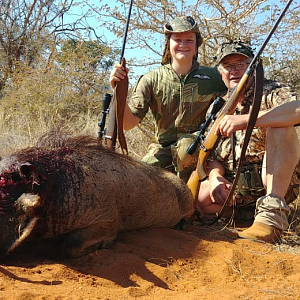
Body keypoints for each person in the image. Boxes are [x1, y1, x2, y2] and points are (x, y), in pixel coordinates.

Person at [196, 40, 300, 242]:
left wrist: (247, 120)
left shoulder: (271, 91)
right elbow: (213, 156)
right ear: (220, 72)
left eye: (241, 64)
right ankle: (248, 217)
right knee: (202, 197)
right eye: (228, 66)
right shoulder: (217, 108)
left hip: (275, 181)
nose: (234, 70)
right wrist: (216, 177)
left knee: (281, 129)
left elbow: (297, 108)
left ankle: (273, 213)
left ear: (252, 66)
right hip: (239, 188)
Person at [109, 16, 226, 182]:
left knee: (186, 147)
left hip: (201, 149)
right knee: (136, 179)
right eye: (177, 39)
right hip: (163, 149)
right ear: (168, 44)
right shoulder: (151, 79)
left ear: (196, 44)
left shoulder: (215, 77)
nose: (183, 45)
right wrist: (118, 92)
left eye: (189, 40)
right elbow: (128, 124)